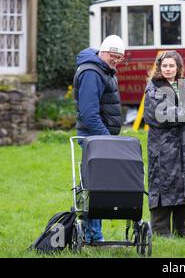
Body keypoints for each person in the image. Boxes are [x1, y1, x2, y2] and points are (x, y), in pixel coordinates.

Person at [144, 50, 185, 237]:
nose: (168, 69)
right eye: (165, 66)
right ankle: (161, 233)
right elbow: (160, 116)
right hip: (162, 149)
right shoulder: (153, 88)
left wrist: (180, 113)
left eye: (172, 66)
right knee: (163, 187)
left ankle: (183, 232)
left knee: (184, 188)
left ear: (178, 68)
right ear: (159, 67)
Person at [73, 34, 125, 242]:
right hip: (93, 138)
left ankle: (94, 234)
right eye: (113, 56)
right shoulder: (92, 73)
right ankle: (93, 235)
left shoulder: (102, 69)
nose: (116, 60)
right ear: (103, 51)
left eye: (119, 58)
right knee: (94, 186)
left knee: (101, 185)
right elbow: (88, 113)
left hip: (101, 138)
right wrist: (106, 138)